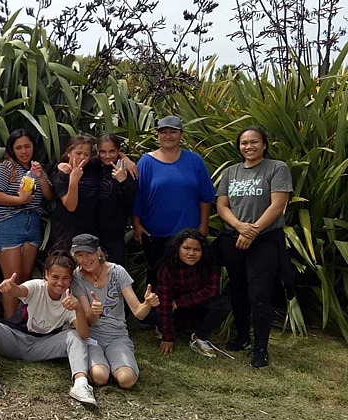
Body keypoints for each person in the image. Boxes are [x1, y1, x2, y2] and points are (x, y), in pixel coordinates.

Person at [0, 251, 97, 407]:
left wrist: (79, 309)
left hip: (43, 346)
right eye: (55, 277)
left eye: (65, 278)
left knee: (74, 335)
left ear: (71, 280)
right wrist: (10, 287)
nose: (60, 283)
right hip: (16, 339)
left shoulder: (70, 301)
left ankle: (80, 384)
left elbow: (84, 334)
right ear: (46, 275)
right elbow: (20, 290)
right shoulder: (36, 286)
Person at [216, 126, 293, 369]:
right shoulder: (231, 172)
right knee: (238, 289)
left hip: (265, 240)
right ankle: (242, 338)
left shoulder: (276, 168)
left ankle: (261, 347)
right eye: (244, 143)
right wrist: (240, 227)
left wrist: (253, 231)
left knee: (259, 294)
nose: (249, 147)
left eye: (254, 142)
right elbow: (222, 206)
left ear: (264, 144)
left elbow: (278, 204)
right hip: (235, 237)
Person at [132, 116, 215, 290]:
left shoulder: (194, 161)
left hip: (188, 236)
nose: (168, 136)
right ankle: (156, 317)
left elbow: (206, 196)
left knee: (188, 285)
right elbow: (138, 196)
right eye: (164, 132)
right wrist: (136, 224)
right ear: (157, 135)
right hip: (155, 235)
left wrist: (203, 226)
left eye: (173, 132)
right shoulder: (146, 162)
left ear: (181, 135)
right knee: (157, 285)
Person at [70, 234, 159, 389]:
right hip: (92, 335)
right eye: (80, 255)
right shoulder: (77, 277)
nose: (85, 260)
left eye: (89, 253)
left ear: (99, 252)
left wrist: (148, 303)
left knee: (127, 380)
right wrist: (94, 311)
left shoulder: (118, 272)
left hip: (117, 335)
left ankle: (115, 363)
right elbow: (89, 320)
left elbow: (139, 313)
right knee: (100, 377)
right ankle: (103, 365)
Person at [0, 129, 53, 319]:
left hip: (32, 226)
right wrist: (19, 200)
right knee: (12, 277)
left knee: (24, 276)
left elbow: (48, 196)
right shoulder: (6, 167)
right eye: (19, 148)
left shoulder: (36, 168)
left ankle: (18, 320)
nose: (24, 151)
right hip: (7, 224)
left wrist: (40, 176)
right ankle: (9, 324)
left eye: (27, 146)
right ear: (12, 149)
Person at [155, 229, 230, 358]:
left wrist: (180, 302)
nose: (191, 253)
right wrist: (168, 337)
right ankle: (167, 330)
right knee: (154, 310)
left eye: (197, 250)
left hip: (196, 309)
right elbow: (164, 300)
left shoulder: (209, 265)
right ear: (178, 248)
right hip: (174, 311)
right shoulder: (167, 267)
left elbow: (211, 292)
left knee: (223, 303)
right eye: (186, 248)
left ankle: (199, 337)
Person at [93, 133, 138, 265]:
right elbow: (75, 155)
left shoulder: (128, 171)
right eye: (103, 151)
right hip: (92, 231)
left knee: (115, 274)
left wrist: (123, 181)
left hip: (115, 233)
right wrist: (62, 166)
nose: (107, 156)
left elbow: (130, 203)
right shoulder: (93, 166)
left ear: (118, 150)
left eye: (111, 151)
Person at [49, 135, 98, 252]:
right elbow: (70, 206)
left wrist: (125, 159)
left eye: (86, 155)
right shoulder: (61, 175)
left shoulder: (91, 167)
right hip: (66, 231)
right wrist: (73, 180)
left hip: (89, 229)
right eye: (78, 153)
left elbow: (109, 156)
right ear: (69, 153)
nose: (82, 157)